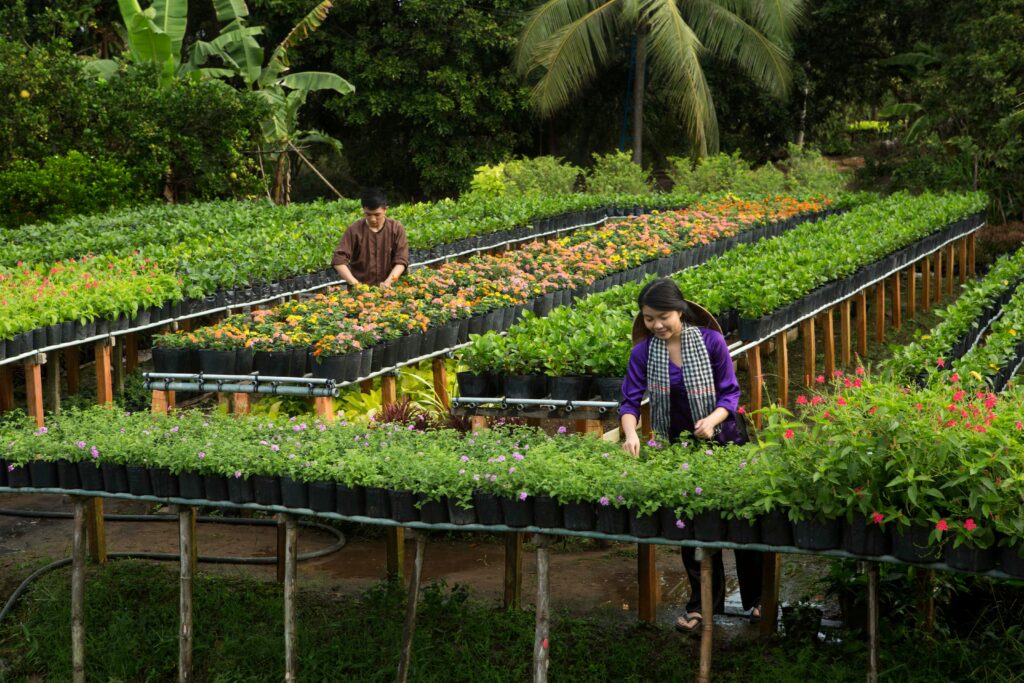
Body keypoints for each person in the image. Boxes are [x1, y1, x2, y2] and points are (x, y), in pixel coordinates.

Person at [618, 277, 762, 633]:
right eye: (649, 318)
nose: (656, 325)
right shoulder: (644, 352)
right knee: (692, 524)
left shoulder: (712, 342)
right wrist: (632, 432)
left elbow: (730, 395)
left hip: (725, 442)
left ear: (680, 311)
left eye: (662, 316)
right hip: (681, 449)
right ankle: (701, 607)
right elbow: (629, 400)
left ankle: (758, 599)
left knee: (741, 519)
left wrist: (711, 421)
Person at [332, 187, 410, 287]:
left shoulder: (396, 228)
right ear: (363, 209)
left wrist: (388, 282)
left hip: (390, 289)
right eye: (368, 214)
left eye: (377, 214)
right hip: (360, 293)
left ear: (385, 209)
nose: (373, 219)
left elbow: (401, 260)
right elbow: (338, 260)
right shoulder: (354, 230)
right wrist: (355, 284)